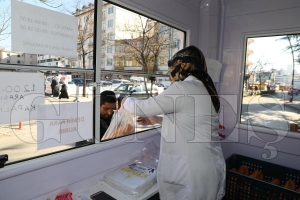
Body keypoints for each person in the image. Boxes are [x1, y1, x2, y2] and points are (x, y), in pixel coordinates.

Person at [121, 45, 226, 199]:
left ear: (181, 67)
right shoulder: (206, 88)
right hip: (209, 164)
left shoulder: (183, 88)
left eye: (172, 69)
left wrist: (124, 100)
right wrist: (158, 120)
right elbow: (193, 123)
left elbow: (141, 108)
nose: (171, 75)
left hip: (191, 169)